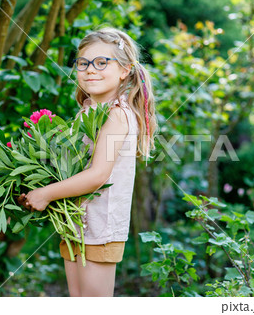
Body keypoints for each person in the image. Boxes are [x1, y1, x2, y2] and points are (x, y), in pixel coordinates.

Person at [17, 27, 157, 297]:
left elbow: (97, 175)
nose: (90, 69)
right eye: (83, 63)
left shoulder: (117, 114)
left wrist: (45, 194)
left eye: (102, 62)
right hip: (77, 226)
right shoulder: (88, 111)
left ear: (125, 70)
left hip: (101, 228)